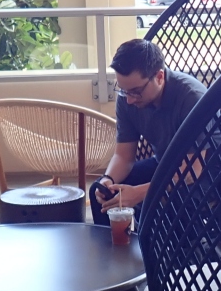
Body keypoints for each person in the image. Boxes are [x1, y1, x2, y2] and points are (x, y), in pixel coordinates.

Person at [89, 39, 207, 226]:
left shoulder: (191, 97)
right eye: (123, 90)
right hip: (165, 164)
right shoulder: (127, 99)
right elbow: (123, 156)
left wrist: (140, 193)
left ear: (159, 77)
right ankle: (112, 245)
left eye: (136, 91)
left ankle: (157, 245)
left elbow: (193, 170)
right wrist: (108, 180)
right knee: (101, 193)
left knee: (169, 205)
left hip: (210, 169)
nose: (129, 100)